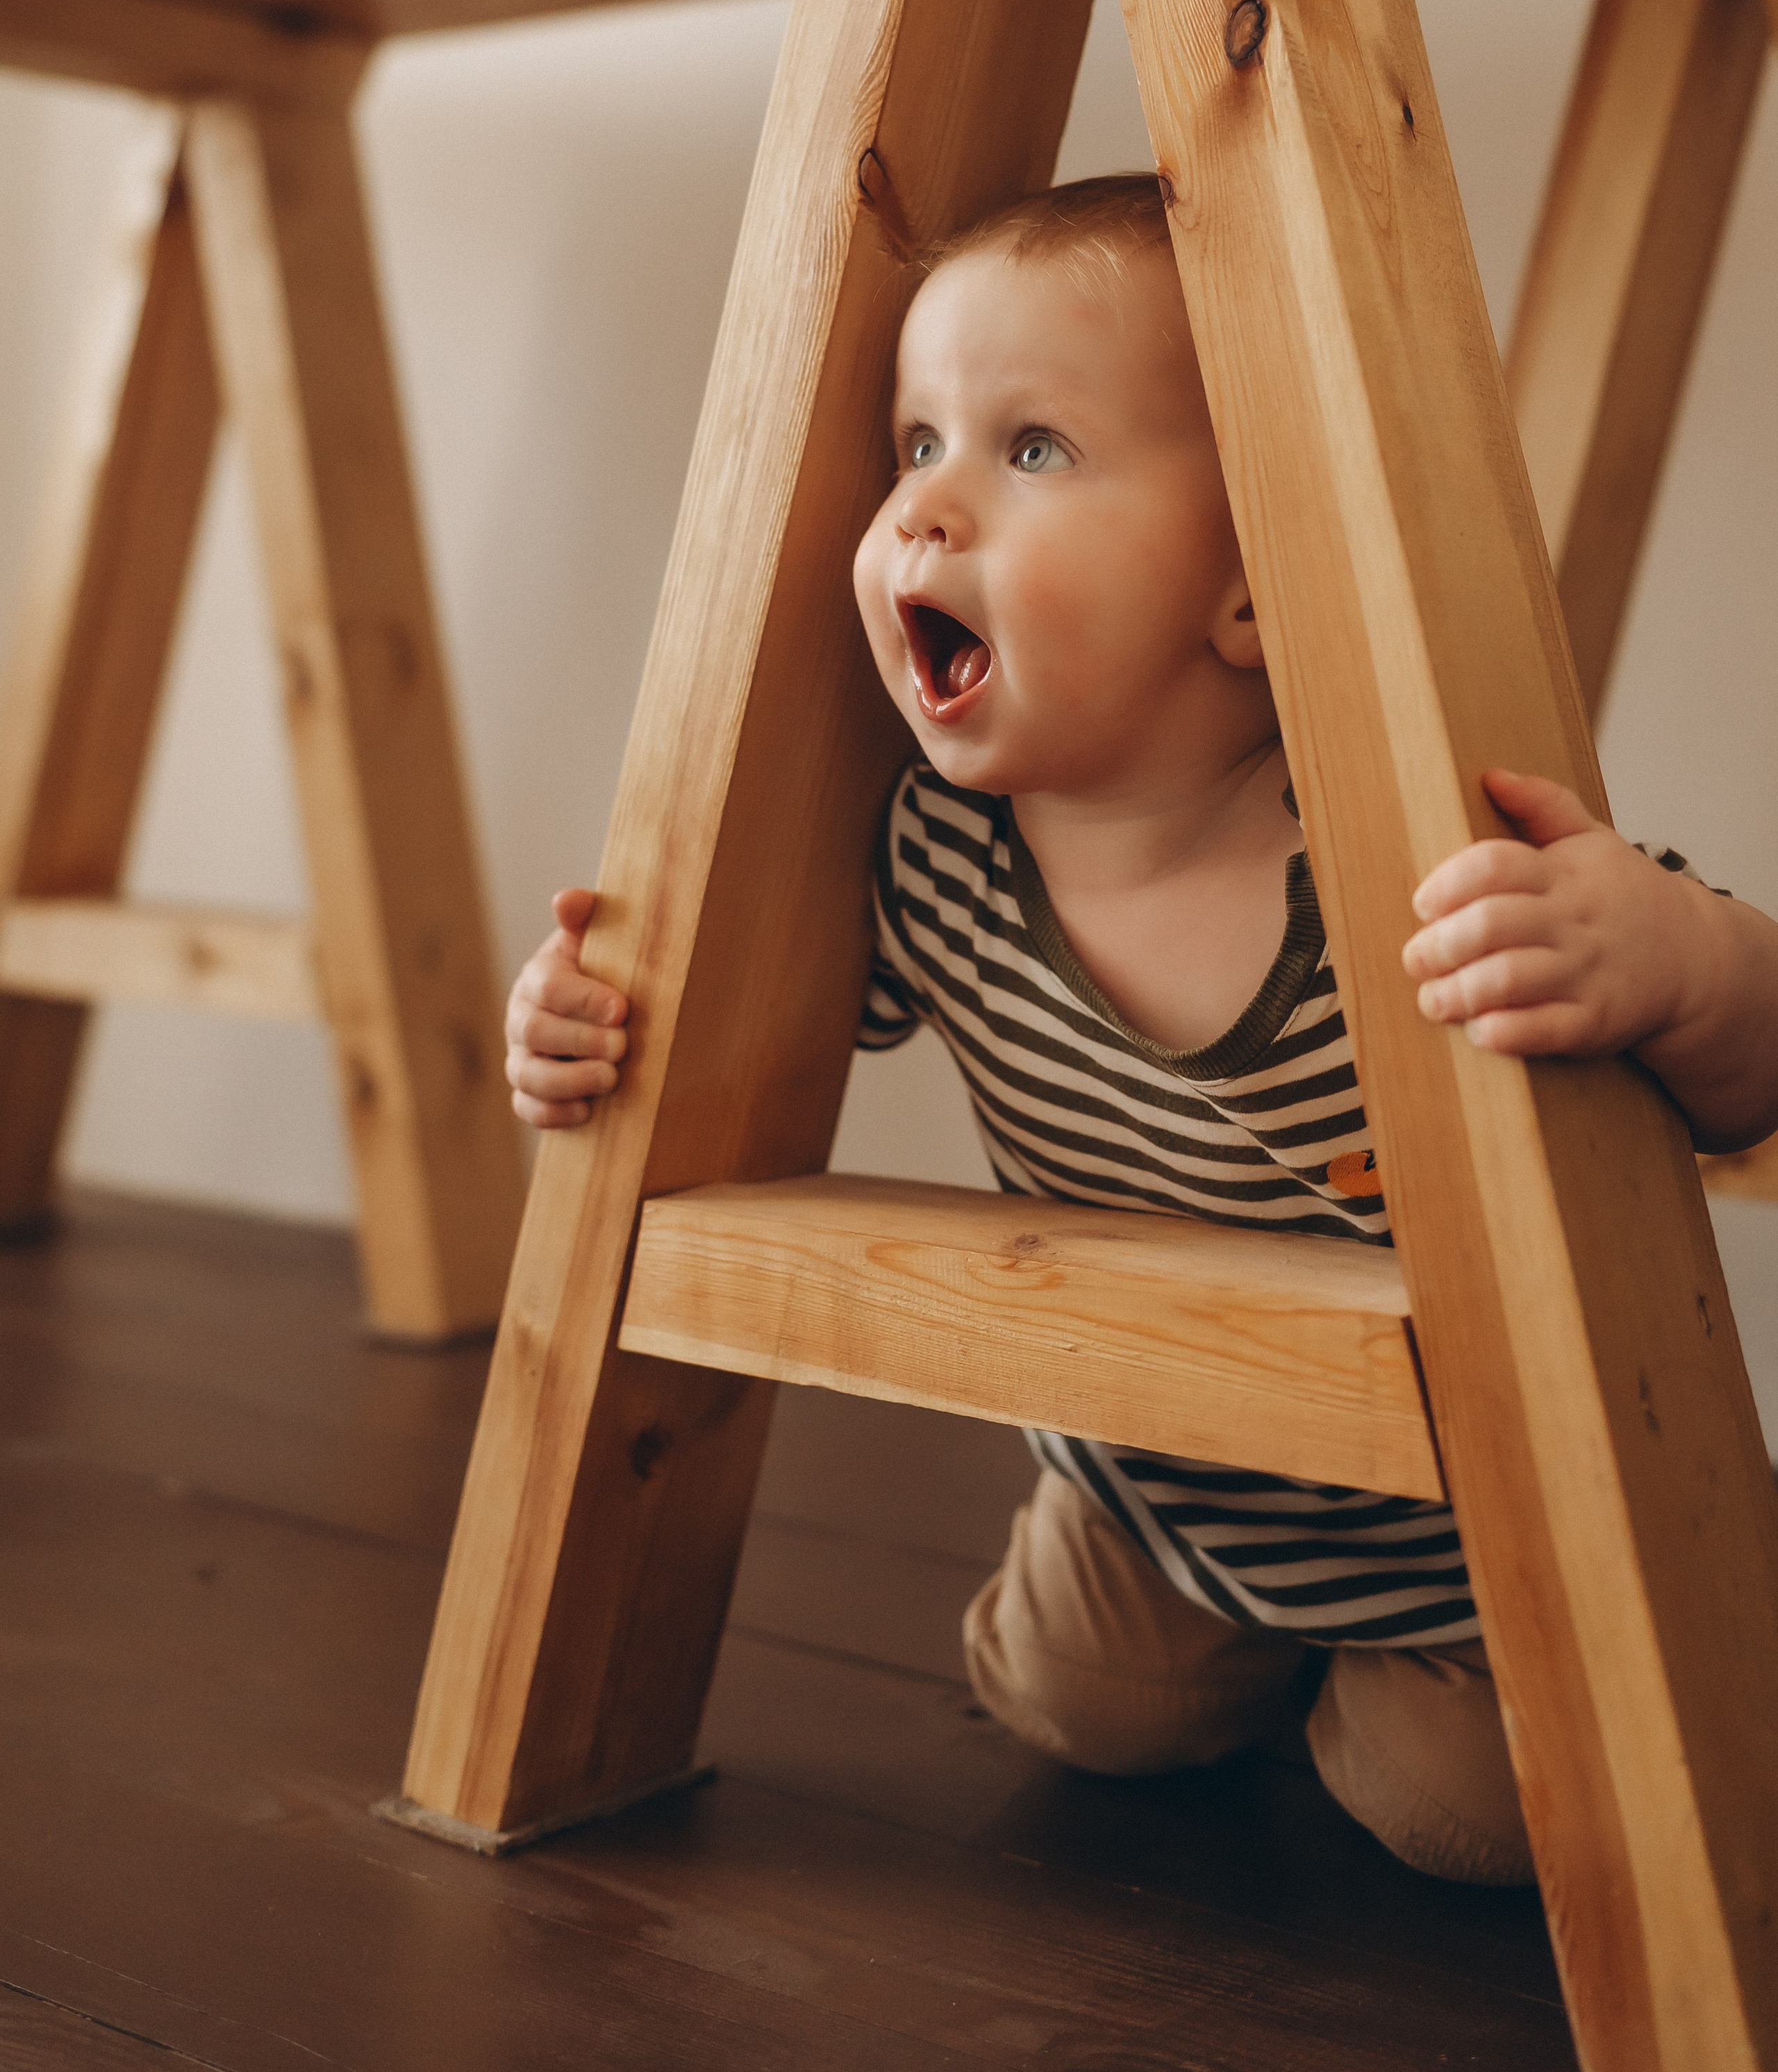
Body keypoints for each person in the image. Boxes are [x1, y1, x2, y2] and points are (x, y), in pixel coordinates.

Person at [504, 173, 1778, 1888]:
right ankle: (1240, 1651)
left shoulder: (1406, 871)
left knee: (1459, 1810)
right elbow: (710, 1025)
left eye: (1030, 449)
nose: (925, 512)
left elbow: (1744, 1067)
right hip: (1158, 1500)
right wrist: (586, 1021)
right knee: (1068, 1704)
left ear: (1248, 591)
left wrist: (1671, 959)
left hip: (1467, 1552)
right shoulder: (928, 856)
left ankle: (1366, 1686)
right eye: (913, 441)